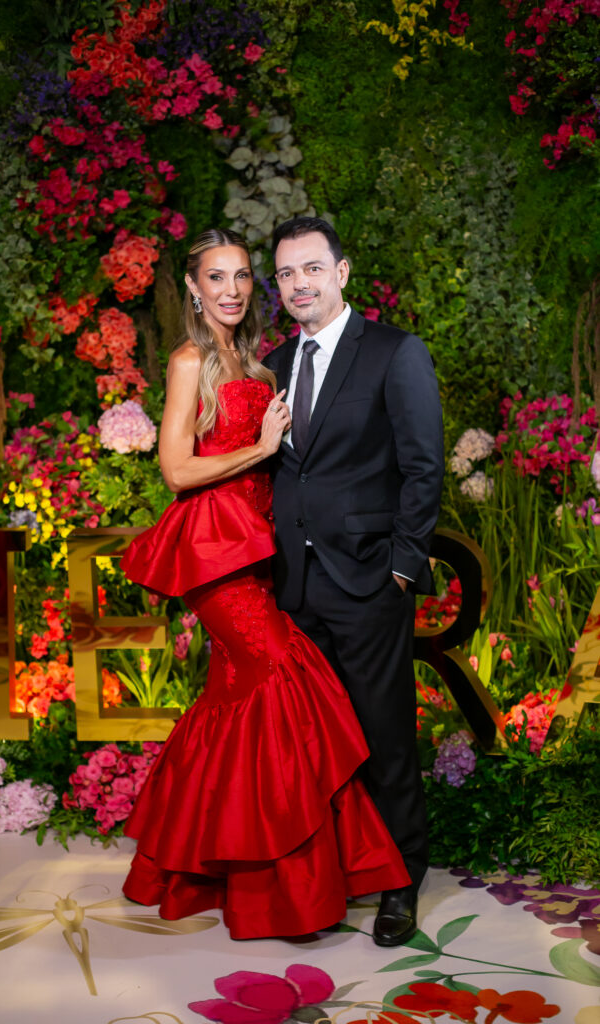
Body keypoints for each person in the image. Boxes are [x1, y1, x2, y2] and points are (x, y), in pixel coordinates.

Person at [118, 228, 411, 941]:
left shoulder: (257, 360)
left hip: (264, 550)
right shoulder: (190, 360)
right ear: (193, 289)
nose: (231, 290)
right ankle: (287, 885)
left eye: (242, 276)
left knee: (241, 702)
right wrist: (259, 448)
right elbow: (177, 471)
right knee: (285, 684)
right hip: (218, 555)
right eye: (215, 278)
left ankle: (211, 866)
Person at [262, 216, 444, 947]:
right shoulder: (273, 363)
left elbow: (422, 466)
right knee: (311, 739)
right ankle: (331, 877)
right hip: (292, 584)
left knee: (383, 733)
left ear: (341, 272)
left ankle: (401, 880)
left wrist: (402, 567)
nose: (298, 283)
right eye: (285, 274)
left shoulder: (394, 352)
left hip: (368, 578)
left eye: (311, 268)